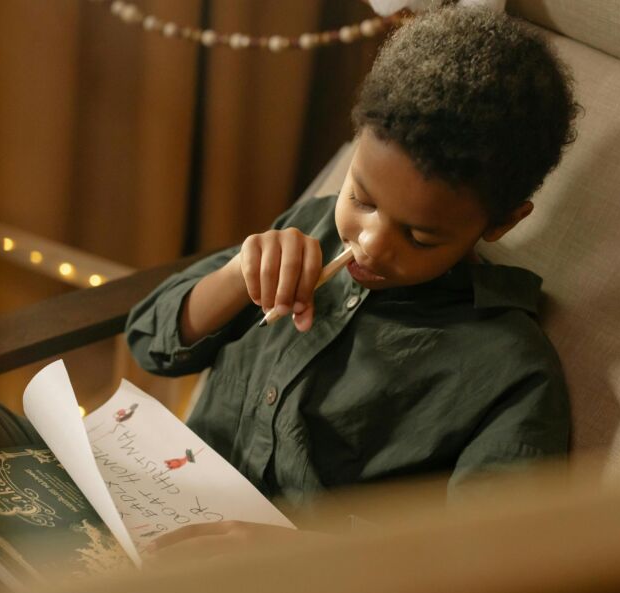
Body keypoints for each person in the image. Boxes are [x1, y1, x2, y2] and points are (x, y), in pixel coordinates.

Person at [126, 3, 578, 543]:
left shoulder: (510, 374)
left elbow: (486, 572)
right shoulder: (310, 229)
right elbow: (148, 342)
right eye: (359, 198)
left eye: (419, 237)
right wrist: (236, 274)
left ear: (502, 223)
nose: (368, 244)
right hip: (158, 511)